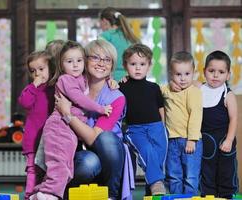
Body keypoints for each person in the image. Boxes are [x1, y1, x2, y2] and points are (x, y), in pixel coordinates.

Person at [37, 39, 135, 200]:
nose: (101, 63)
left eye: (107, 59)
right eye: (95, 57)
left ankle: (111, 194)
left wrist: (67, 114)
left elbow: (92, 138)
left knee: (106, 138)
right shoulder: (73, 84)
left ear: (112, 65)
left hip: (109, 157)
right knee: (89, 162)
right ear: (85, 59)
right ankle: (61, 192)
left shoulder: (116, 97)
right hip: (79, 152)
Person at [119, 43, 167, 195]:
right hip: (135, 130)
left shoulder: (154, 87)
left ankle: (151, 192)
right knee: (147, 151)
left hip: (157, 127)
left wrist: (163, 127)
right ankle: (156, 184)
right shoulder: (122, 87)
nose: (138, 68)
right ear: (125, 66)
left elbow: (161, 107)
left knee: (158, 157)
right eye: (133, 64)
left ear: (149, 66)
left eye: (142, 64)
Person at [161, 51, 203, 195]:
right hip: (171, 141)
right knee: (173, 176)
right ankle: (176, 198)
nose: (183, 79)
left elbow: (196, 116)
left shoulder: (194, 92)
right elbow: (155, 91)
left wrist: (192, 139)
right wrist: (170, 84)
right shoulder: (168, 90)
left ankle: (189, 198)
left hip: (190, 141)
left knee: (190, 176)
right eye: (178, 75)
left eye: (187, 74)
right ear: (171, 74)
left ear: (193, 73)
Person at [199, 51, 238, 199]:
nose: (215, 75)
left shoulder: (228, 95)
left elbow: (234, 118)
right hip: (205, 139)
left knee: (226, 171)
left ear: (228, 75)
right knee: (207, 171)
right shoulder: (198, 89)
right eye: (211, 71)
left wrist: (229, 140)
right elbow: (181, 80)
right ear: (204, 72)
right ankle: (208, 195)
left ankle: (228, 194)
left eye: (221, 72)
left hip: (224, 139)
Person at [18, 50, 55, 200]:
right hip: (33, 139)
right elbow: (24, 102)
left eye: (41, 69)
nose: (37, 74)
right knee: (33, 169)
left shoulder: (55, 88)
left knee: (50, 169)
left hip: (50, 138)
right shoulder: (31, 89)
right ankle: (29, 195)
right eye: (33, 71)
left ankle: (46, 194)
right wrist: (33, 85)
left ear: (50, 69)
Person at [99, 7, 140, 81]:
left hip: (112, 79)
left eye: (100, 22)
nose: (100, 26)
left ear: (105, 21)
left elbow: (97, 56)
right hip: (132, 78)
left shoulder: (105, 36)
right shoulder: (132, 37)